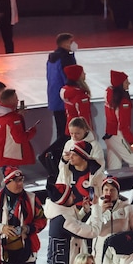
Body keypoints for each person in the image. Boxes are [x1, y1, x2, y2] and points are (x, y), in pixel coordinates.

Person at [43, 33, 77, 169]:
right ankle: (53, 157)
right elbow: (70, 78)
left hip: (55, 99)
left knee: (61, 131)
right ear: (65, 43)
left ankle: (58, 159)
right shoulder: (66, 58)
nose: (74, 44)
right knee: (66, 134)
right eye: (72, 41)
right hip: (65, 101)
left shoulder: (52, 58)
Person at [0, 87, 37, 169]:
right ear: (10, 100)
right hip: (10, 157)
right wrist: (32, 131)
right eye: (16, 98)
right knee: (12, 180)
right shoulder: (13, 118)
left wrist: (18, 115)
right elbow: (19, 138)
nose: (18, 100)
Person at [104, 70, 133, 170]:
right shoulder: (123, 102)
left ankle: (113, 183)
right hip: (118, 135)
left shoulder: (109, 94)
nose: (129, 83)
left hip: (109, 135)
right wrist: (132, 143)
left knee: (114, 167)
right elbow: (123, 126)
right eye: (126, 81)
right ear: (120, 84)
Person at [61, 64, 93, 134]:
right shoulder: (81, 96)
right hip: (80, 132)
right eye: (82, 73)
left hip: (71, 128)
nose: (85, 74)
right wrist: (89, 132)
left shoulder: (67, 91)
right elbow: (84, 116)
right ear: (78, 76)